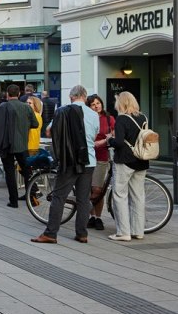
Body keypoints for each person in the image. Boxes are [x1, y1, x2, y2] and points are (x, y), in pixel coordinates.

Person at [32, 85, 97, 244]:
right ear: (85, 96)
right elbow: (94, 135)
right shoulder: (93, 114)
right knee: (83, 199)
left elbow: (48, 131)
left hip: (69, 161)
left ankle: (51, 233)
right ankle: (82, 234)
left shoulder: (63, 111)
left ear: (71, 97)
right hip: (89, 160)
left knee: (59, 196)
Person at [107, 91, 149, 241]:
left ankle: (123, 232)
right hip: (141, 161)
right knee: (138, 196)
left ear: (121, 103)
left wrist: (109, 140)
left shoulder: (122, 119)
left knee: (120, 195)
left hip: (124, 161)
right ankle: (138, 231)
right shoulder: (143, 117)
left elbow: (118, 142)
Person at [0, 84, 39, 208]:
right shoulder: (26, 107)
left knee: (9, 173)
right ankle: (31, 197)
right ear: (19, 94)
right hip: (22, 145)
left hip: (6, 145)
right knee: (27, 171)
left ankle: (13, 201)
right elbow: (35, 124)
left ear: (7, 94)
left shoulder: (2, 107)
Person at [86, 94, 114, 231]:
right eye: (93, 104)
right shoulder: (87, 118)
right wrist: (104, 140)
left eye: (98, 103)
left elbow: (114, 134)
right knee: (88, 189)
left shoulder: (108, 118)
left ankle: (98, 217)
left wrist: (106, 140)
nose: (96, 106)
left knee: (98, 189)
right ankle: (92, 217)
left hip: (102, 157)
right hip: (87, 156)